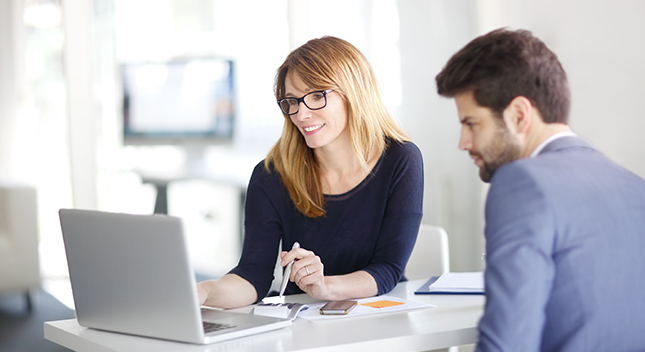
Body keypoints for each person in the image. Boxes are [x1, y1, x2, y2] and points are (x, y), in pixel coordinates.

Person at [435, 28, 645, 351]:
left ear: (519, 115)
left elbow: (507, 344)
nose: (463, 143)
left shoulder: (521, 182)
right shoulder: (633, 186)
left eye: (471, 123)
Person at [197, 36, 423, 309]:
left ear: (353, 93)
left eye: (317, 96)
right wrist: (205, 291)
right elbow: (253, 275)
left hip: (379, 314)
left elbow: (388, 269)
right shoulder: (271, 175)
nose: (301, 114)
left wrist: (325, 286)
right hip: (303, 323)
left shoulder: (400, 159)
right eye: (292, 101)